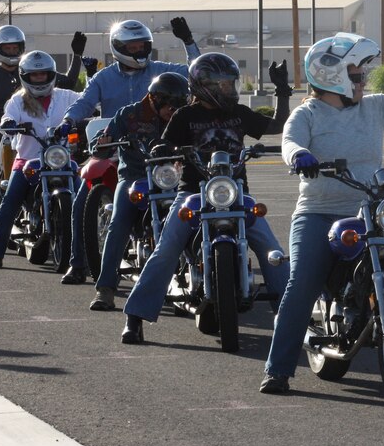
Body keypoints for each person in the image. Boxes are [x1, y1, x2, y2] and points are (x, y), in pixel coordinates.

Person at [259, 14, 384, 394]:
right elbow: (289, 140)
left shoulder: (373, 108)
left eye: (360, 74)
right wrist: (299, 155)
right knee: (301, 284)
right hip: (319, 212)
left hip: (372, 212)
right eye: (355, 75)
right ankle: (278, 369)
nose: (362, 81)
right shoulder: (308, 113)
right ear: (331, 75)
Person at [119, 53, 292, 345]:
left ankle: (291, 318)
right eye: (221, 84)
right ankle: (134, 318)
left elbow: (278, 125)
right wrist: (162, 148)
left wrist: (283, 91)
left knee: (272, 250)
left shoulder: (238, 112)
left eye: (230, 84)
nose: (227, 89)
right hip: (193, 193)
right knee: (166, 249)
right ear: (202, 85)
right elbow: (166, 141)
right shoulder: (185, 115)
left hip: (237, 193)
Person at [56, 17, 200, 285]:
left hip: (165, 151)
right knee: (82, 198)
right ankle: (78, 264)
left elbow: (197, 73)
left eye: (142, 45)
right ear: (118, 47)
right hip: (117, 147)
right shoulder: (103, 77)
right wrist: (67, 121)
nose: (139, 51)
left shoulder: (161, 71)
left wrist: (188, 42)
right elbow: (85, 103)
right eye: (132, 47)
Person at [0, 25, 85, 254]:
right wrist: (2, 131)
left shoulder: (35, 67)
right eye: (8, 47)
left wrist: (76, 56)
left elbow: (69, 83)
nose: (13, 50)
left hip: (47, 140)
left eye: (16, 46)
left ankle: (83, 244)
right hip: (2, 137)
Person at [88, 72, 190, 311]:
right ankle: (105, 289)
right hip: (135, 177)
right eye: (169, 106)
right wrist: (103, 144)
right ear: (155, 99)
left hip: (171, 178)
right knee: (119, 224)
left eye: (178, 106)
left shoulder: (183, 117)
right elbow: (100, 148)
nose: (172, 112)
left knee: (193, 217)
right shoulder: (128, 115)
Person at [0, 51, 83, 269]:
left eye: (44, 74)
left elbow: (88, 103)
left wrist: (90, 115)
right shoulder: (17, 100)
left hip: (61, 160)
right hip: (28, 160)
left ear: (51, 75)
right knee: (10, 202)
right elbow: (7, 117)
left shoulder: (66, 96)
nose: (39, 78)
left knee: (83, 199)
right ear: (25, 76)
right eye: (34, 75)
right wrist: (9, 123)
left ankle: (86, 255)